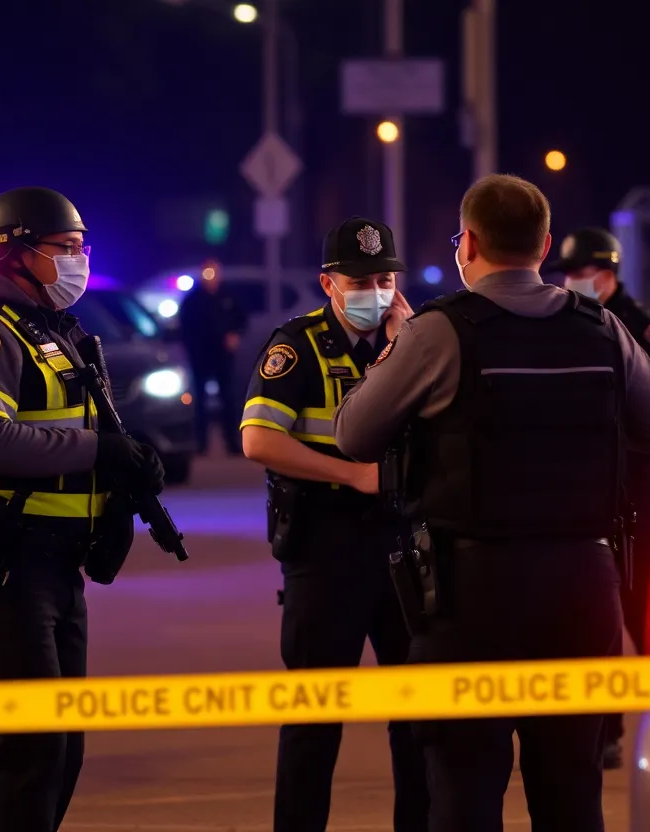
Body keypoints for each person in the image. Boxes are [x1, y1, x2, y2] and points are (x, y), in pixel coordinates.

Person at [333, 175, 650, 832]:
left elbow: (354, 434)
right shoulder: (602, 328)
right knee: (572, 790)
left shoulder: (438, 332)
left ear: (468, 243)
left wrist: (397, 350)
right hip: (583, 588)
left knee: (465, 792)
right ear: (545, 245)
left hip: (471, 594)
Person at [0, 186, 166, 832]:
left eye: (82, 247)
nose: (79, 260)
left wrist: (125, 468)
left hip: (50, 564)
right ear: (18, 253)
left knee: (21, 745)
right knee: (31, 747)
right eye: (68, 248)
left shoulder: (45, 331)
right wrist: (97, 452)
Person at [240, 217, 428, 832]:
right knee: (315, 718)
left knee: (417, 718)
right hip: (327, 547)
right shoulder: (297, 345)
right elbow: (258, 439)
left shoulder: (414, 343)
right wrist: (351, 475)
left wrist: (404, 347)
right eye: (360, 280)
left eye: (384, 279)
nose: (375, 291)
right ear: (328, 284)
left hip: (403, 542)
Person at [551, 226, 650, 769]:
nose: (568, 283)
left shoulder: (639, 329)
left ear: (603, 276)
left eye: (577, 275)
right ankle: (605, 730)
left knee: (637, 606)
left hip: (631, 492)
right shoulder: (572, 321)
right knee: (590, 610)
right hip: (587, 487)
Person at [178, 258, 246, 455]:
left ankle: (232, 443)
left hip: (223, 355)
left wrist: (235, 334)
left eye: (214, 272)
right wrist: (190, 346)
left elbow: (241, 319)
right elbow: (185, 326)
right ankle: (201, 443)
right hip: (201, 354)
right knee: (199, 398)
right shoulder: (193, 299)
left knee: (228, 397)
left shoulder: (228, 295)